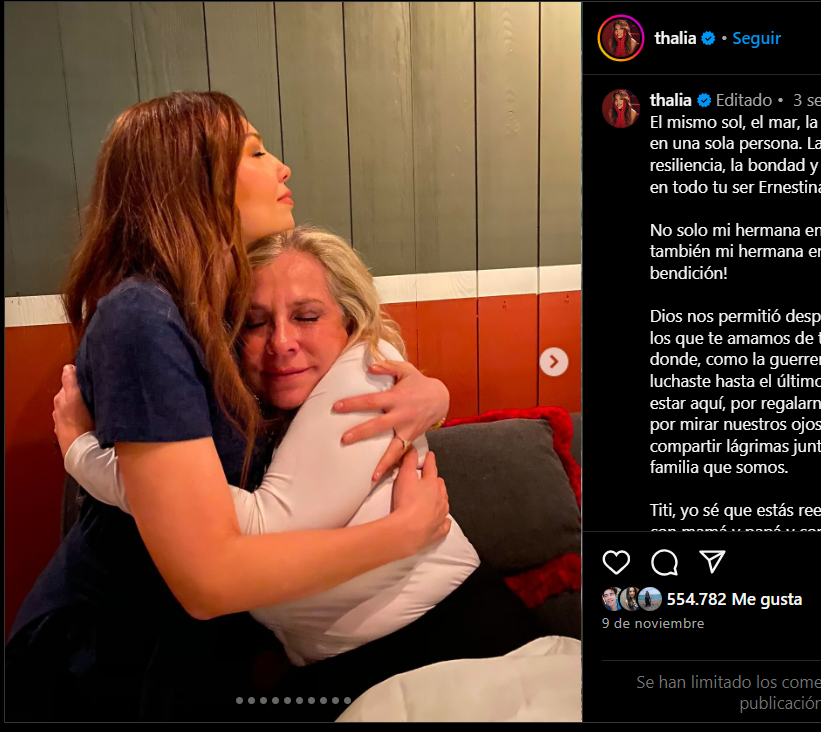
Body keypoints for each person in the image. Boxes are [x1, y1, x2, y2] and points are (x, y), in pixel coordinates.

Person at [5, 92, 451, 721]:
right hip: (106, 658)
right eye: (256, 152)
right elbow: (208, 579)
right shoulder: (143, 317)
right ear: (194, 178)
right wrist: (400, 535)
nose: (282, 167)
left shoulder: (209, 314)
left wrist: (432, 394)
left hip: (186, 651)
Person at [57, 226, 543, 702]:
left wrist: (86, 457)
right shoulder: (248, 414)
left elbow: (259, 531)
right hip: (346, 670)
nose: (282, 342)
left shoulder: (367, 374)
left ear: (351, 321)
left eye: (307, 316)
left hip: (452, 646)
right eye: (255, 323)